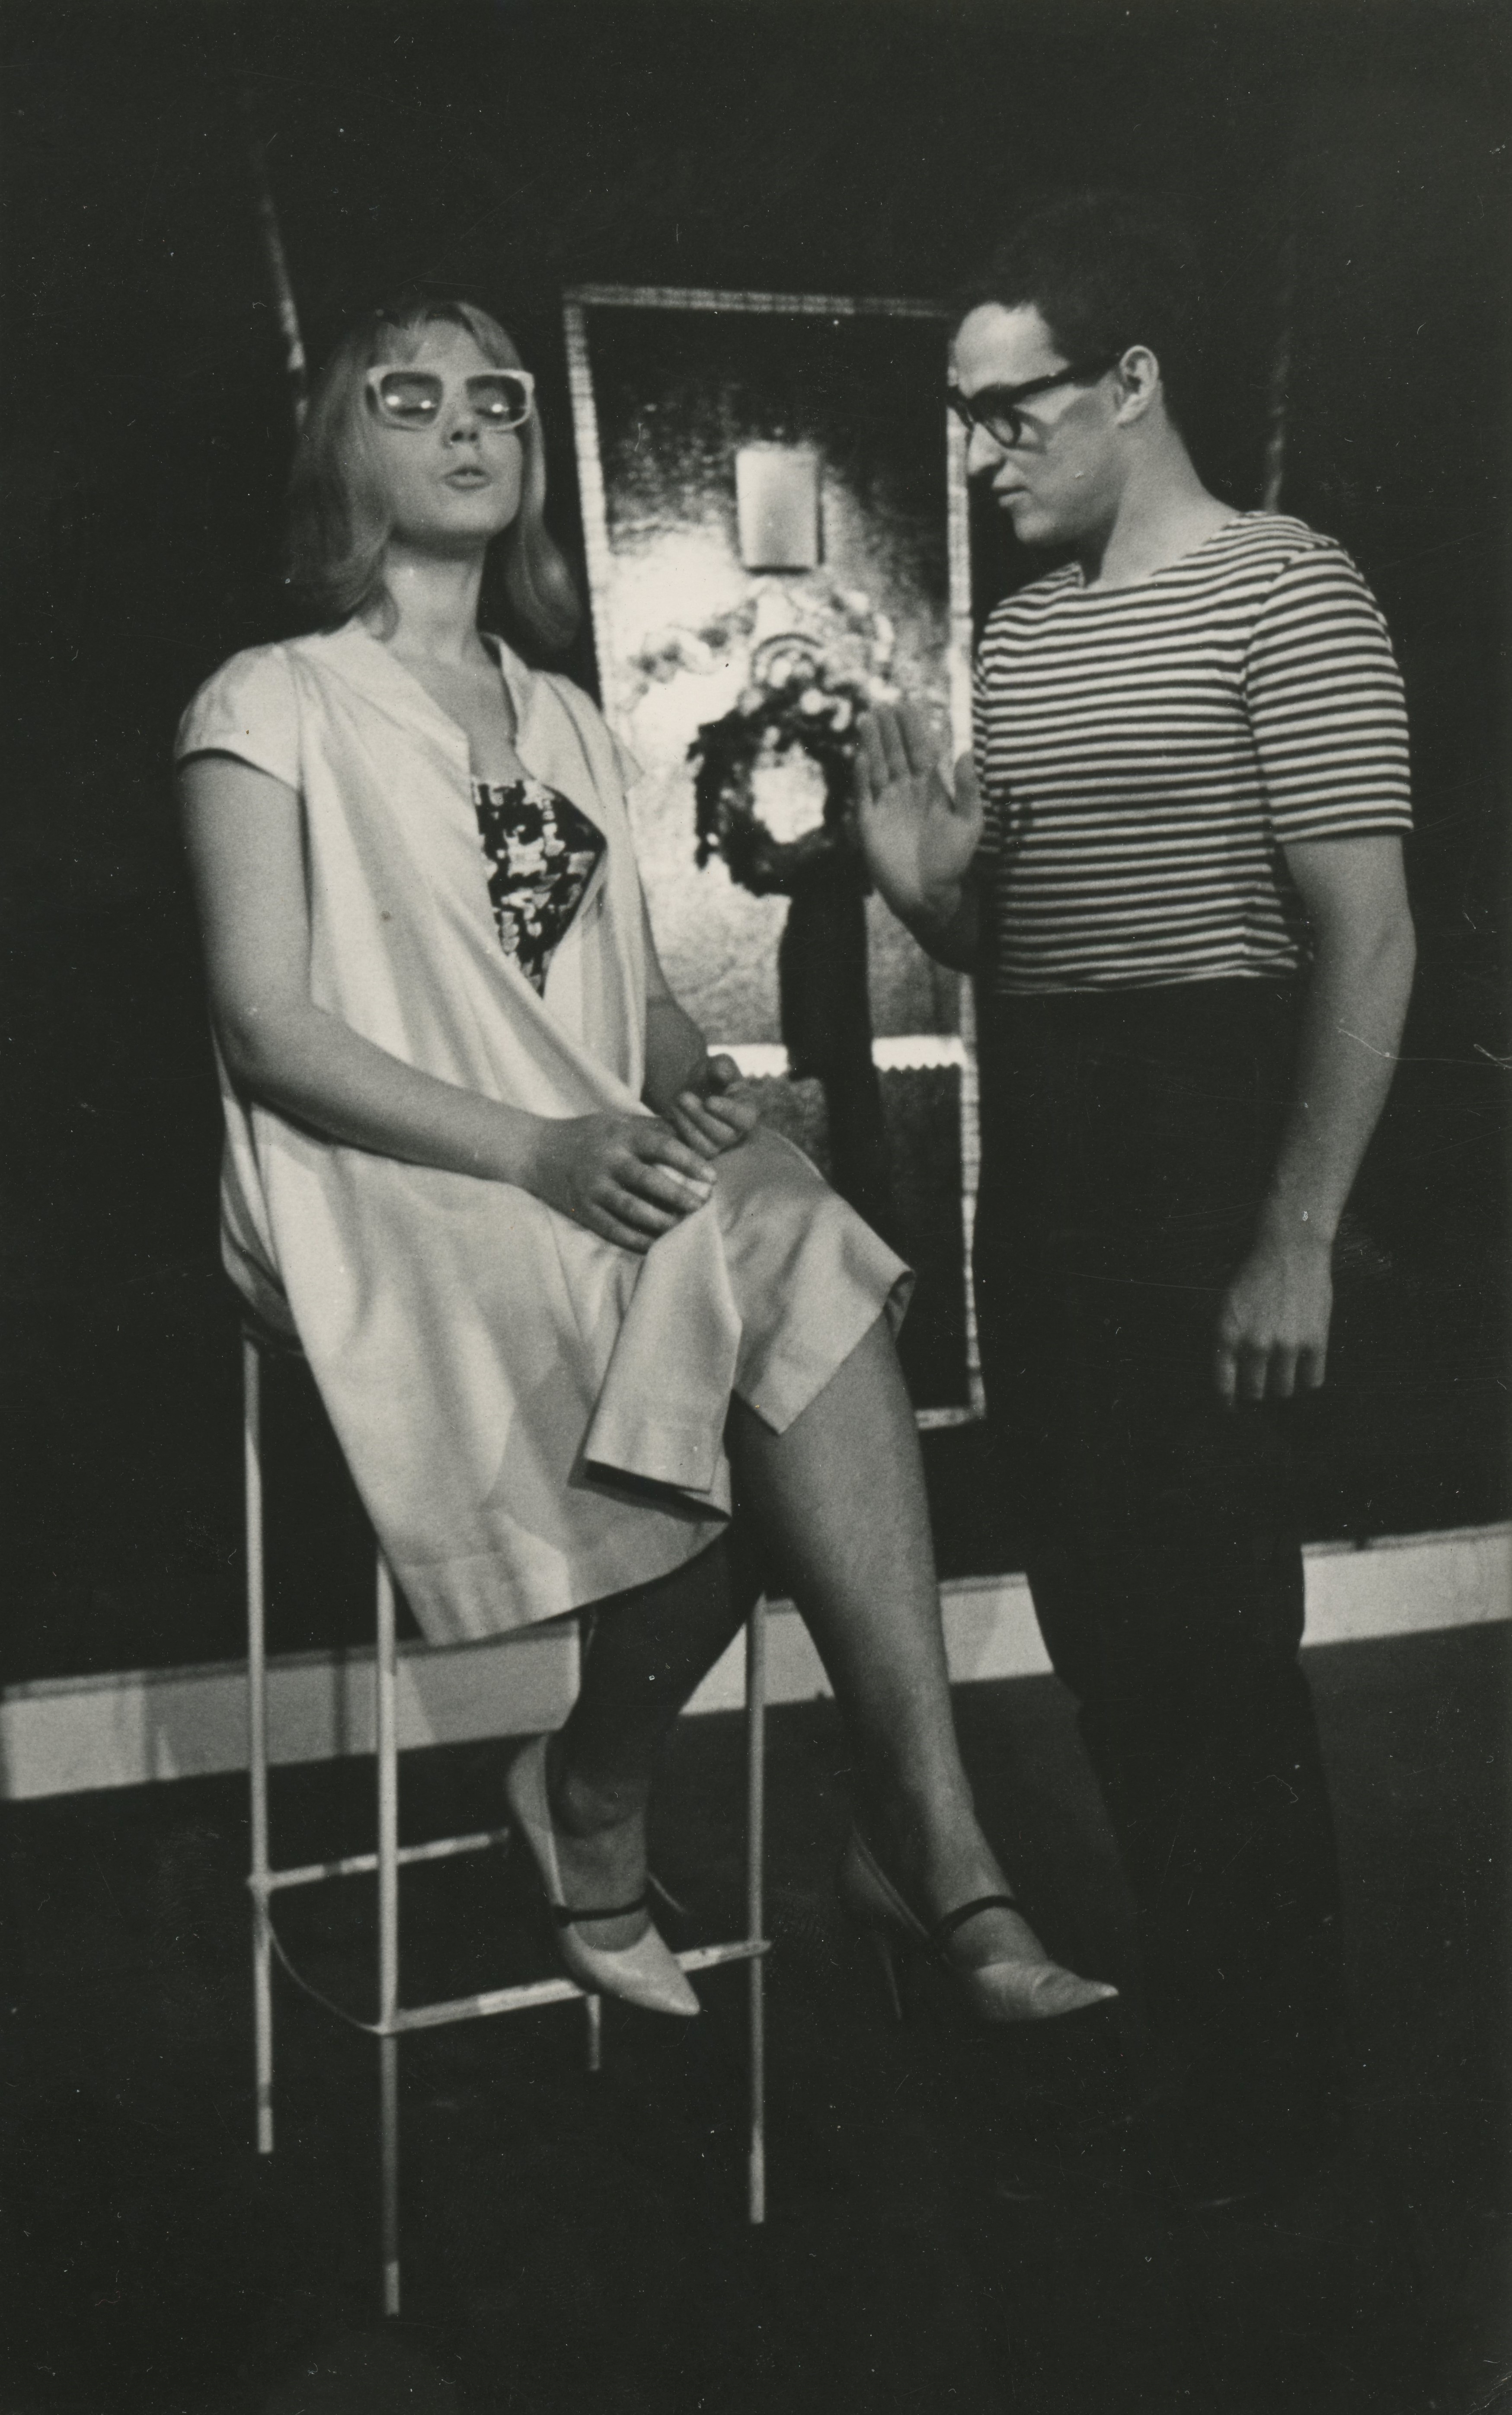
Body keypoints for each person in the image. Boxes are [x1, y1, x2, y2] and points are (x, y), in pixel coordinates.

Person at [176, 293, 1116, 2031]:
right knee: (745, 1302)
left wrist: (704, 1093)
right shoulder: (270, 699)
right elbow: (266, 1028)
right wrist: (541, 1146)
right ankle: (621, 1790)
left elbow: (644, 1012)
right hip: (379, 1178)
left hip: (586, 1162)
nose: (467, 426)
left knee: (798, 1240)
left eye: (496, 400)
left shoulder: (567, 717)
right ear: (339, 447)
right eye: (409, 399)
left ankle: (928, 1844)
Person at [855, 192, 1416, 2199]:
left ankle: (1283, 2118)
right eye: (962, 418)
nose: (979, 456)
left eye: (1009, 412)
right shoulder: (1023, 633)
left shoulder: (1286, 585)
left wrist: (1290, 1231)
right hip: (1051, 1158)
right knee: (1101, 1618)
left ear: (1129, 383)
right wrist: (923, 893)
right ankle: (1212, 2051)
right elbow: (1027, 944)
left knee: (1212, 1644)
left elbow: (1365, 936)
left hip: (1205, 1151)